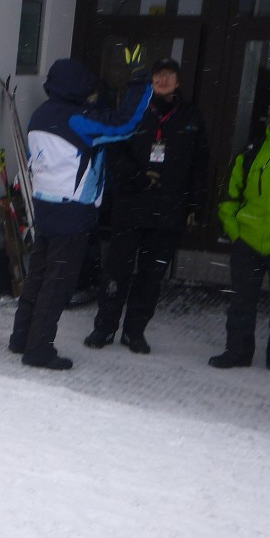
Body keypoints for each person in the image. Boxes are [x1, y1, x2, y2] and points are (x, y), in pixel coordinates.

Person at [9, 57, 151, 370]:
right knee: (57, 283)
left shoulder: (39, 115)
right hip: (72, 213)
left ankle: (21, 337)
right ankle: (39, 349)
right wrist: (140, 85)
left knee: (38, 277)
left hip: (45, 207)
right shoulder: (78, 120)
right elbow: (125, 125)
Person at [84, 57, 209, 354]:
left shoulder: (191, 116)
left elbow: (200, 165)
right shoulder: (135, 110)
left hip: (169, 210)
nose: (163, 80)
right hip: (132, 205)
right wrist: (138, 179)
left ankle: (134, 332)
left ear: (178, 82)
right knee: (117, 271)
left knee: (151, 276)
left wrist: (195, 205)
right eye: (158, 75)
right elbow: (114, 150)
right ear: (151, 80)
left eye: (169, 75)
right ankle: (104, 328)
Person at [207, 96, 270, 378]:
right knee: (242, 301)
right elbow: (230, 194)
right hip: (247, 240)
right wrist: (235, 233)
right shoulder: (251, 152)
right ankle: (237, 352)